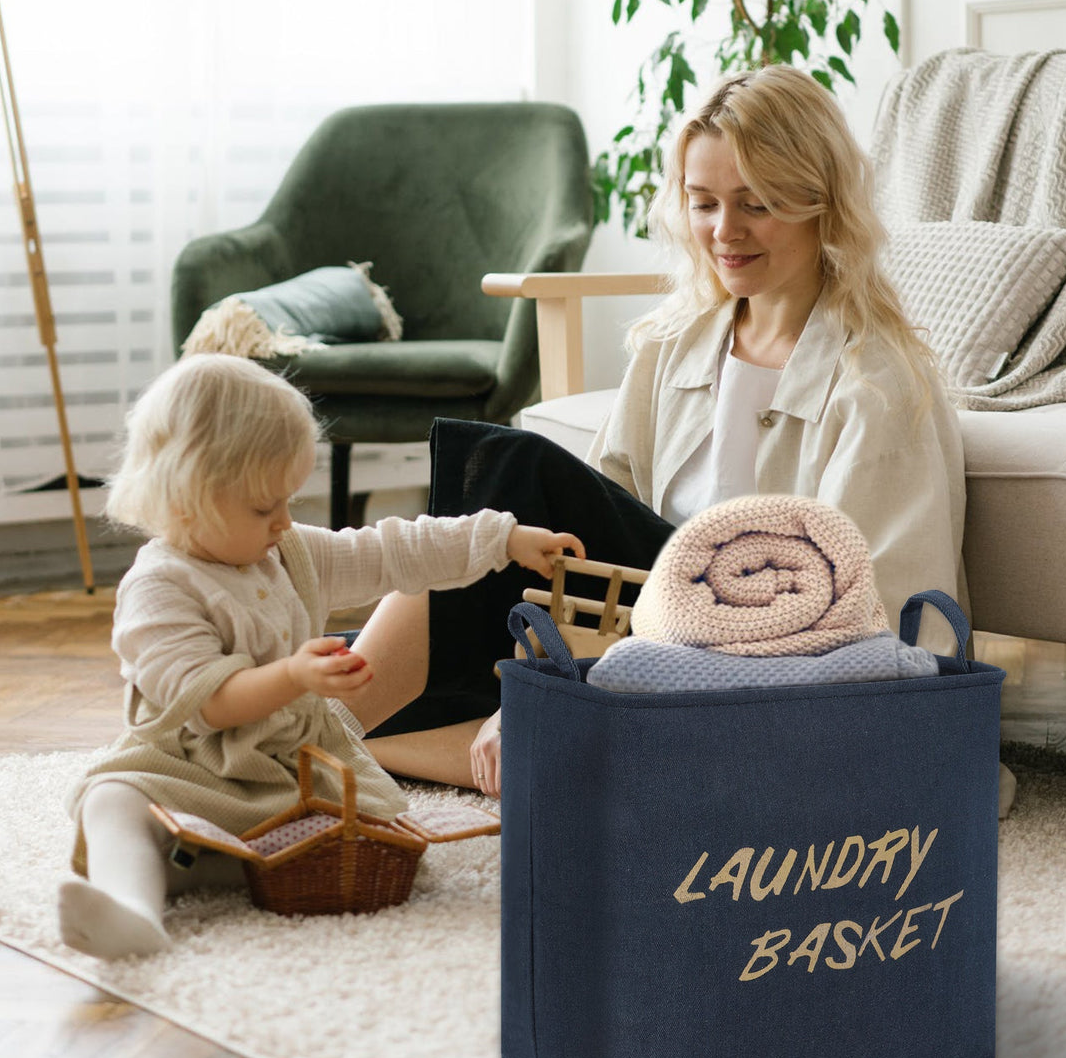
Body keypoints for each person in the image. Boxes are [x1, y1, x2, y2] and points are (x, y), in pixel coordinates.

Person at [363, 64, 968, 797]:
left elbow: (880, 605)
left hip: (760, 648)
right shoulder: (674, 341)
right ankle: (374, 736)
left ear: (820, 203)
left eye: (757, 204)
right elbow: (595, 518)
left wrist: (566, 680)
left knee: (512, 465)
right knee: (345, 647)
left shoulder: (879, 379)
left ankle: (322, 740)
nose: (724, 231)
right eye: (704, 202)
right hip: (640, 614)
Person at [59, 353, 583, 959]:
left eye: (289, 500)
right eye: (264, 508)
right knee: (111, 798)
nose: (285, 521)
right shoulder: (159, 588)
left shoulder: (288, 552)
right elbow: (207, 705)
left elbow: (393, 552)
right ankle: (134, 911)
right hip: (193, 765)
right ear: (185, 500)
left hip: (295, 767)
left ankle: (205, 862)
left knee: (368, 837)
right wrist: (293, 675)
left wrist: (501, 539)